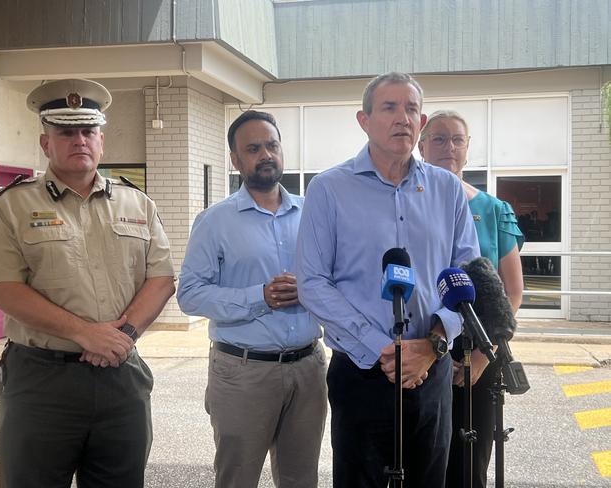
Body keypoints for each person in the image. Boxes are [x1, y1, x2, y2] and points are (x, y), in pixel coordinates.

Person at [0, 78, 176, 488]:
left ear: (101, 140)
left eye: (88, 131)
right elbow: (4, 289)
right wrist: (87, 334)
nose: (78, 140)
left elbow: (161, 279)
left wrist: (121, 338)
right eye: (66, 131)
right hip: (42, 382)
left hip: (121, 378)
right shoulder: (13, 205)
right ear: (46, 143)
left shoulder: (139, 203)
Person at [295, 72, 480, 488]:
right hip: (362, 373)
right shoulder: (329, 189)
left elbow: (467, 274)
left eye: (411, 109)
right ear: (364, 120)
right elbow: (312, 281)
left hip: (430, 372)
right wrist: (385, 349)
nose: (402, 118)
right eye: (390, 108)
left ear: (422, 119)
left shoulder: (446, 189)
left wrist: (432, 344)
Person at [177, 110, 327, 488]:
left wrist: (311, 289)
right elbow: (190, 294)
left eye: (272, 145)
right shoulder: (215, 221)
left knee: (301, 478)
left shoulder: (314, 213)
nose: (266, 155)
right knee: (237, 478)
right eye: (253, 148)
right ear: (236, 160)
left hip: (309, 368)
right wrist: (260, 296)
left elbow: (336, 279)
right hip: (243, 372)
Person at [418, 110, 524, 488]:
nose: (449, 147)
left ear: (467, 148)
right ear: (422, 145)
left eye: (457, 139)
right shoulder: (405, 204)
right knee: (422, 460)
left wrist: (484, 353)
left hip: (480, 349)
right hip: (420, 347)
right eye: (439, 138)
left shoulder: (494, 210)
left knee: (469, 465)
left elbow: (512, 292)